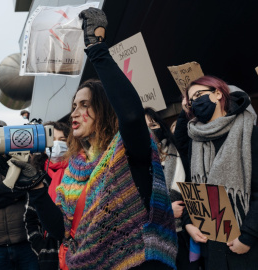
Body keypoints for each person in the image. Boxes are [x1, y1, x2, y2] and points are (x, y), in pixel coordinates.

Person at [12, 8, 177, 270]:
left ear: (105, 110)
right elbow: (61, 230)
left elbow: (133, 116)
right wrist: (36, 189)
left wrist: (97, 47)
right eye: (74, 105)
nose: (74, 113)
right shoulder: (74, 168)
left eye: (85, 105)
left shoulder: (127, 152)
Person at [174, 75, 258, 270]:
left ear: (218, 93)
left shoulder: (249, 135)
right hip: (212, 250)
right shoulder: (195, 142)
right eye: (191, 100)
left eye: (199, 95)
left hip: (246, 249)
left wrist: (247, 237)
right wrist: (188, 223)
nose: (195, 102)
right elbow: (192, 189)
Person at [144, 108, 202, 270]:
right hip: (159, 238)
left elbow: (192, 186)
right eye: (144, 126)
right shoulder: (138, 162)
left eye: (153, 124)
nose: (150, 129)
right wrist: (168, 210)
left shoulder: (177, 150)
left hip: (187, 228)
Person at [0, 119, 39, 270]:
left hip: (25, 242)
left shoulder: (21, 159)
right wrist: (15, 194)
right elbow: (20, 192)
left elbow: (31, 189)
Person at [24, 121, 70, 270]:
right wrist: (41, 248)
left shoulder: (78, 172)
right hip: (50, 258)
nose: (56, 144)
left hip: (78, 254)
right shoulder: (37, 178)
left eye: (62, 140)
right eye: (52, 140)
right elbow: (30, 219)